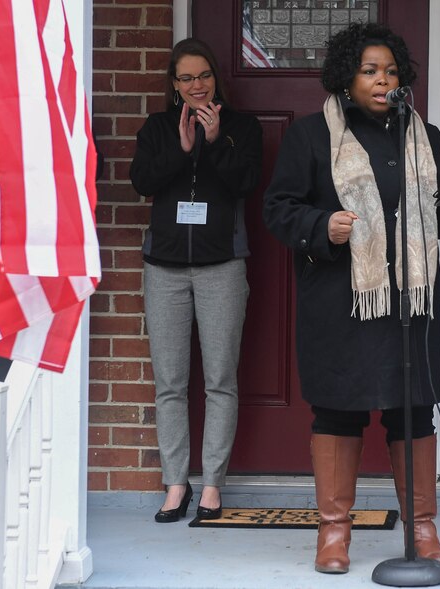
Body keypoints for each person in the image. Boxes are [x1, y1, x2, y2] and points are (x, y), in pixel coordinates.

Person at [263, 22, 440, 573]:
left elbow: (433, 213)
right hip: (342, 303)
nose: (382, 80)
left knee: (411, 412)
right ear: (347, 77)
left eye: (390, 71)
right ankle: (334, 535)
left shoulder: (422, 136)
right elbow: (279, 209)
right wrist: (324, 226)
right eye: (370, 70)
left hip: (409, 306)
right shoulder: (310, 136)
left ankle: (421, 531)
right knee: (339, 412)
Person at [129, 37, 262, 524]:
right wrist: (182, 150)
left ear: (215, 78)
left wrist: (212, 143)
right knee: (170, 382)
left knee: (221, 381)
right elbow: (142, 181)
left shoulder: (239, 129)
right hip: (163, 268)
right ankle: (175, 484)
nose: (196, 85)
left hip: (222, 266)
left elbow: (247, 182)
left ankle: (211, 486)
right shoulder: (158, 128)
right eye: (185, 78)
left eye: (203, 75)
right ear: (174, 84)